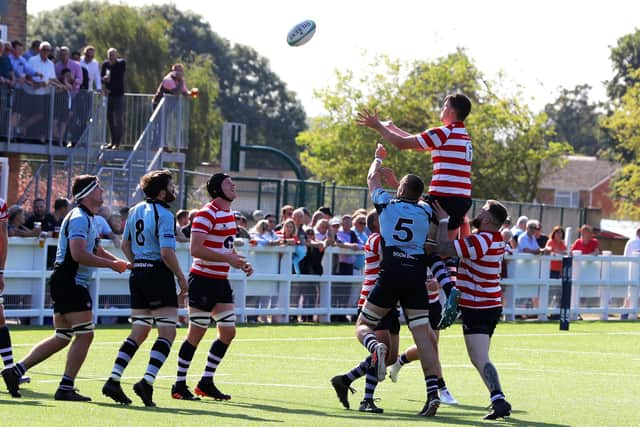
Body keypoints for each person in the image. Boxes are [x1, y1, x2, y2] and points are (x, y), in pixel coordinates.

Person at [1, 175, 129, 400]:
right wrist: (112, 265)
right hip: (70, 281)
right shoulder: (80, 218)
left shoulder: (88, 217)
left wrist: (121, 264)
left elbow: (96, 250)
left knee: (62, 336)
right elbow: (79, 253)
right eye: (98, 188)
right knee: (85, 334)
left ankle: (16, 370)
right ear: (88, 193)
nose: (102, 192)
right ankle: (66, 387)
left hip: (66, 280)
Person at [355, 144, 443, 417]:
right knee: (423, 337)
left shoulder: (386, 204)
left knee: (364, 324)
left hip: (391, 272)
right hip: (415, 274)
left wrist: (378, 158)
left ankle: (375, 347)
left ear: (400, 191)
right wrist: (404, 185)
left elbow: (372, 179)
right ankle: (432, 393)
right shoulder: (426, 210)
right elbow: (423, 202)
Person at [102, 170, 188, 407]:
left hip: (138, 273)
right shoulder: (165, 214)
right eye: (171, 186)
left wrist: (137, 263)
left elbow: (126, 244)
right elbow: (166, 252)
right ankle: (147, 382)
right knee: (168, 333)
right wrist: (181, 277)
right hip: (158, 274)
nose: (174, 190)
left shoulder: (134, 210)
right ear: (162, 192)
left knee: (139, 331)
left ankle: (114, 379)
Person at [171, 173, 253, 401]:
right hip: (202, 280)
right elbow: (195, 249)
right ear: (218, 189)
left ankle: (206, 381)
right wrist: (228, 259)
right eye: (228, 183)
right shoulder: (206, 213)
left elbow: (224, 248)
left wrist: (240, 261)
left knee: (228, 332)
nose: (233, 185)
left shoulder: (228, 214)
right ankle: (179, 385)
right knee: (195, 334)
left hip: (220, 281)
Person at [429, 198, 512, 420]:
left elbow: (442, 248)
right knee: (480, 357)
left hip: (478, 305)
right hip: (489, 304)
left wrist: (444, 221)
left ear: (487, 219)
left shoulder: (481, 241)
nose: (479, 212)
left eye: (483, 210)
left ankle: (499, 399)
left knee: (480, 358)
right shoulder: (493, 239)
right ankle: (498, 398)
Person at [357, 94, 473, 245]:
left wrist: (378, 126)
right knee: (446, 253)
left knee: (427, 246)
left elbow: (402, 143)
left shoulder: (444, 133)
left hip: (444, 198)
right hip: (462, 199)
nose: (442, 109)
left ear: (451, 111)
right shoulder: (463, 135)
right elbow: (417, 143)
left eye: (444, 106)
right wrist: (392, 128)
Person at [331, 209, 399, 414]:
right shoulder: (378, 239)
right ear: (377, 223)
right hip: (375, 298)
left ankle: (345, 380)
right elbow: (394, 263)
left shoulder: (381, 238)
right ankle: (366, 400)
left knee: (390, 357)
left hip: (389, 300)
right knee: (381, 351)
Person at [387, 270, 458, 405]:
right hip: (414, 306)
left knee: (431, 347)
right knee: (430, 349)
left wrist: (439, 283)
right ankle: (442, 389)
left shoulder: (437, 254)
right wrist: (421, 286)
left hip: (434, 304)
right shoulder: (411, 251)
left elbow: (451, 274)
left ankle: (399, 361)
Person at [101, 47, 126, 149]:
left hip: (118, 95)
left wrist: (112, 67)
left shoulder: (121, 63)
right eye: (110, 55)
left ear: (116, 55)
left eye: (113, 54)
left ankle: (117, 142)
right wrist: (104, 79)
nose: (111, 56)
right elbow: (102, 77)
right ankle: (112, 140)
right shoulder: (105, 64)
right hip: (109, 95)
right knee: (110, 118)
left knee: (118, 118)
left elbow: (118, 75)